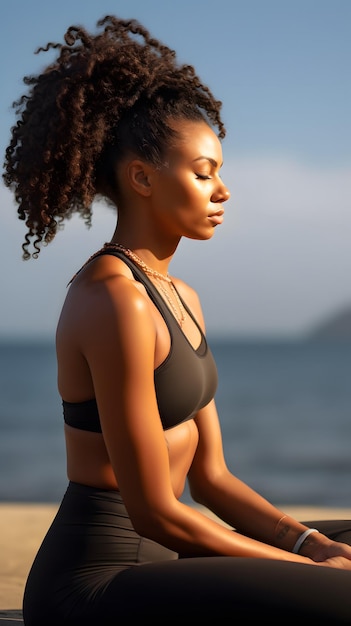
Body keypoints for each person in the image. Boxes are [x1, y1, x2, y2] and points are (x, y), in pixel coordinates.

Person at [3, 14, 351, 625]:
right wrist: (307, 571)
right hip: (98, 583)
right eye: (203, 172)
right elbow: (154, 512)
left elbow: (212, 479)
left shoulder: (179, 296)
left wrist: (311, 544)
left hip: (168, 561)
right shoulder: (114, 300)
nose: (223, 191)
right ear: (141, 177)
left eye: (219, 172)